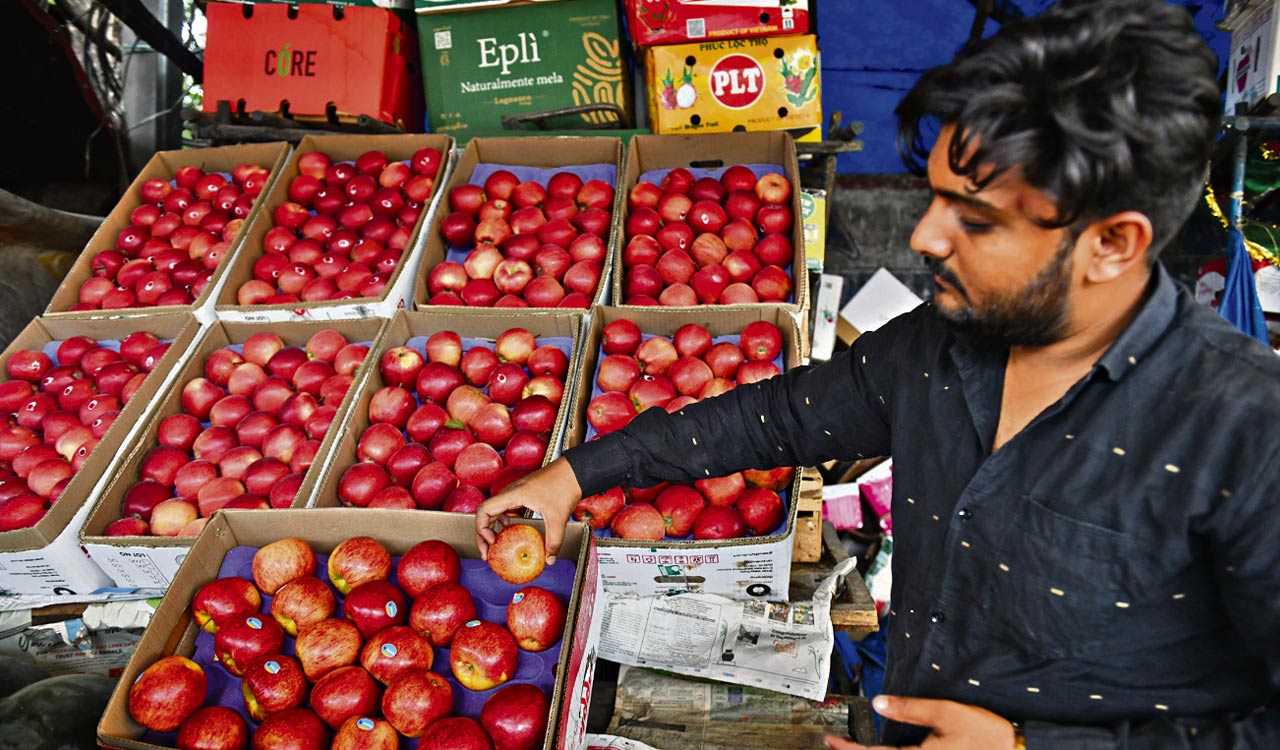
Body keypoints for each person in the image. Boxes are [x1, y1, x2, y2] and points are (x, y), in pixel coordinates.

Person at [476, 0, 1280, 746]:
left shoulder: (1246, 432)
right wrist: (576, 475)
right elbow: (773, 419)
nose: (924, 236)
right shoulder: (936, 348)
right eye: (931, 196)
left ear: (1114, 243)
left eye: (973, 218)